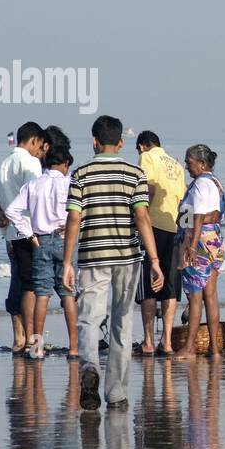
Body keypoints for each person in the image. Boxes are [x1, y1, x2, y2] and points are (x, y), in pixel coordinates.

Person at [61, 115, 165, 410]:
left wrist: (67, 262)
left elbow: (74, 218)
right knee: (122, 321)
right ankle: (116, 391)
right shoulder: (135, 174)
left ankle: (89, 368)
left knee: (89, 319)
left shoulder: (80, 174)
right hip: (128, 257)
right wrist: (154, 260)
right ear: (121, 143)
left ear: (93, 140)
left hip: (92, 256)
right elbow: (142, 217)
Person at [4, 143, 77, 358]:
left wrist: (30, 234)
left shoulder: (33, 185)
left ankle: (37, 347)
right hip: (65, 240)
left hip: (41, 241)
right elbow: (82, 211)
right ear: (65, 163)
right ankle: (74, 347)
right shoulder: (70, 184)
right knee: (69, 295)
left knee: (42, 294)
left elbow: (11, 210)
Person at [0, 121, 47, 352]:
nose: (40, 151)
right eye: (39, 146)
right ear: (33, 140)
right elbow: (35, 198)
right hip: (29, 230)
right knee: (32, 286)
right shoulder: (30, 162)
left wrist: (5, 232)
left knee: (19, 281)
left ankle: (21, 338)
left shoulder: (3, 164)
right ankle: (29, 340)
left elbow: (1, 203)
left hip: (12, 234)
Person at [173, 146, 225, 360]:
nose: (187, 166)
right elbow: (214, 214)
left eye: (190, 162)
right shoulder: (216, 183)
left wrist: (191, 246)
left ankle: (189, 348)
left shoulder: (199, 185)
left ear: (202, 164)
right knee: (211, 295)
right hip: (214, 239)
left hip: (198, 241)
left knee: (195, 297)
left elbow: (197, 216)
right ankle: (214, 348)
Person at [135, 131, 185, 355]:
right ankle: (166, 341)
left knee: (148, 286)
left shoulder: (147, 157)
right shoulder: (176, 164)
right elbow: (183, 200)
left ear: (142, 146)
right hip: (175, 227)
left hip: (152, 227)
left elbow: (149, 188)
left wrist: (138, 216)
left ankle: (148, 341)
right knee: (170, 287)